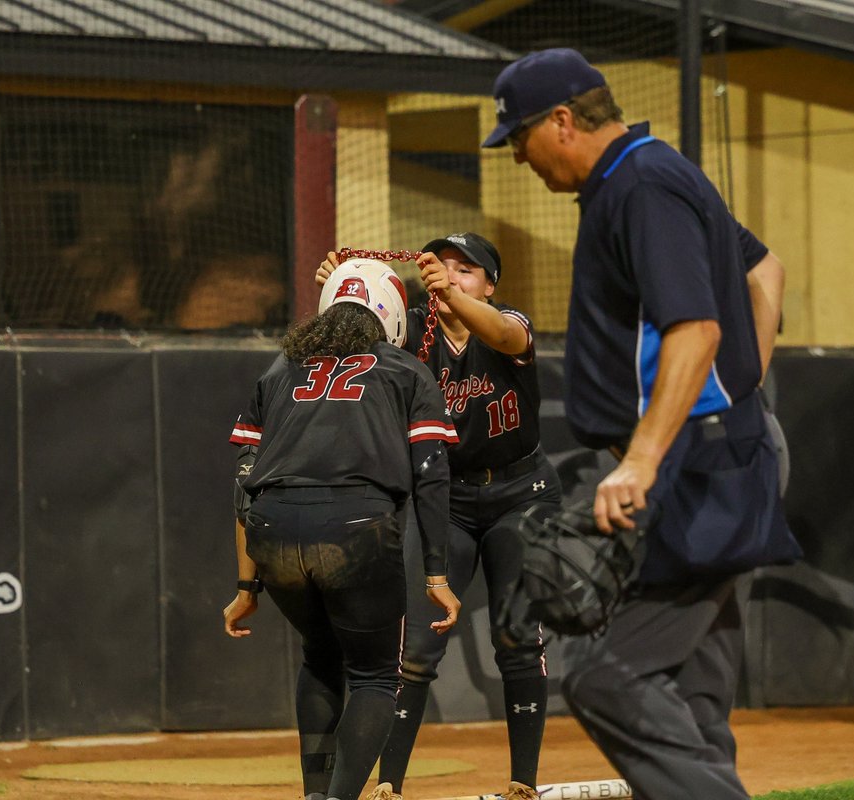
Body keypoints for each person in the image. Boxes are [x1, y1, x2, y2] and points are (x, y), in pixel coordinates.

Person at [482, 48, 802, 800]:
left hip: (689, 463)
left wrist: (644, 460)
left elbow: (695, 332)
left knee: (606, 678)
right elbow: (767, 273)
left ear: (562, 121)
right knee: (694, 691)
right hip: (713, 447)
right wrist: (739, 390)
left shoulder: (641, 185)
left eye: (519, 138)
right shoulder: (651, 171)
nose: (518, 157)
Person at [319, 233, 562, 800]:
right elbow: (352, 341)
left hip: (521, 494)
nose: (451, 277)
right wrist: (337, 289)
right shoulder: (413, 338)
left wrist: (457, 301)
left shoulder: (508, 324)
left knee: (518, 637)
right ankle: (389, 786)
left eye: (467, 269)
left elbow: (504, 333)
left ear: (490, 284)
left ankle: (522, 782)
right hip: (446, 501)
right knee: (417, 649)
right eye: (443, 268)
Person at [223, 258, 462, 800]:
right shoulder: (405, 369)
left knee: (319, 654)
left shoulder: (280, 368)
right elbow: (431, 475)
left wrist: (245, 587)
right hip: (356, 526)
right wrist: (437, 576)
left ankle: (314, 792)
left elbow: (244, 484)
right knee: (376, 675)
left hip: (273, 530)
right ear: (394, 317)